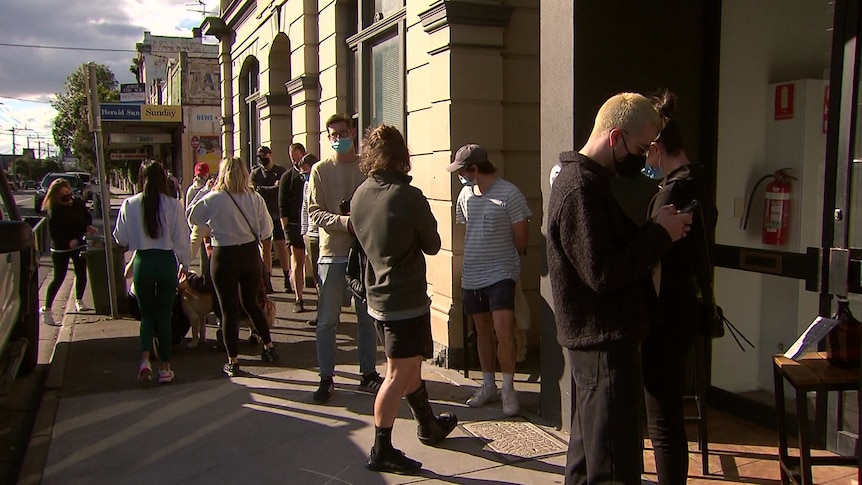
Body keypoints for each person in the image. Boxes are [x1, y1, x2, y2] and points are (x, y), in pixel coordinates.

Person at [546, 92, 693, 484]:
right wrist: (660, 235)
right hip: (602, 342)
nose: (644, 158)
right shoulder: (581, 188)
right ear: (615, 138)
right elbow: (604, 272)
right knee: (613, 464)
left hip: (598, 341)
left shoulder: (585, 182)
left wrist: (652, 230)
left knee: (589, 455)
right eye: (641, 147)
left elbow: (606, 254)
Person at [352, 125, 458, 474]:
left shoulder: (360, 194)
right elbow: (432, 244)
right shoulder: (407, 196)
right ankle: (381, 448)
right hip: (404, 299)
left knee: (410, 366)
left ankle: (428, 424)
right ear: (402, 157)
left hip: (377, 298)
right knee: (397, 374)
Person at [641, 90, 717, 485]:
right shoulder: (700, 181)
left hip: (665, 314)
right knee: (671, 417)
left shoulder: (671, 193)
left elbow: (654, 260)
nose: (644, 161)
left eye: (645, 151)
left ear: (657, 147)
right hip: (687, 307)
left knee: (664, 422)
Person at [446, 144, 531, 417]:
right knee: (482, 330)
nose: (460, 177)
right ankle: (488, 385)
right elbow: (467, 228)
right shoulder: (465, 195)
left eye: (462, 171)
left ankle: (508, 388)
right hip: (473, 274)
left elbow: (522, 238)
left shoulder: (509, 194)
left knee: (503, 329)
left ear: (474, 168)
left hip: (501, 272)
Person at [308, 113, 383, 403]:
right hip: (333, 254)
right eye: (333, 135)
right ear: (328, 139)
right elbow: (314, 212)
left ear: (351, 132)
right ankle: (326, 377)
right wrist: (344, 222)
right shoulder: (320, 170)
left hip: (364, 254)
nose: (338, 139)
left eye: (342, 133)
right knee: (327, 320)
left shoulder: (366, 167)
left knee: (367, 317)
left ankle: (368, 373)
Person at [188, 157, 279, 377]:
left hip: (223, 255)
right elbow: (267, 230)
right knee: (251, 303)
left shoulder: (214, 198)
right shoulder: (254, 197)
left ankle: (233, 360)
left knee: (227, 309)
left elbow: (193, 216)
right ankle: (268, 346)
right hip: (249, 254)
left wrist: (206, 192)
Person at [113, 161, 192, 384]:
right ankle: (165, 368)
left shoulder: (130, 204)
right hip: (165, 260)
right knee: (164, 316)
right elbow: (181, 239)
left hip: (143, 261)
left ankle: (145, 361)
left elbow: (120, 238)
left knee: (146, 316)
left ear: (141, 178)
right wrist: (184, 265)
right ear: (162, 179)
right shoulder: (173, 205)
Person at [40, 178, 97, 326]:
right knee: (59, 277)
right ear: (56, 195)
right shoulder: (54, 211)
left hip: (79, 244)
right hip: (60, 248)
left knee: (81, 273)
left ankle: (79, 300)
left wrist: (88, 227)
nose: (67, 196)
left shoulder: (77, 203)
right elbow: (55, 234)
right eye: (63, 194)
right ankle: (47, 309)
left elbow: (86, 217)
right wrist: (67, 242)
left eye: (68, 192)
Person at [251, 145, 290, 293]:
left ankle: (287, 277)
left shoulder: (280, 171)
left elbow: (280, 190)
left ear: (270, 155)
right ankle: (267, 280)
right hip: (261, 215)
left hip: (277, 213)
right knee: (265, 248)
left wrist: (265, 190)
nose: (263, 161)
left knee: (281, 246)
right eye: (260, 158)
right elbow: (254, 190)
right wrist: (271, 189)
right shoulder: (255, 173)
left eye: (265, 158)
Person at [279, 142, 310, 313]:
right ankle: (299, 298)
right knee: (297, 261)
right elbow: (282, 205)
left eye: (299, 159)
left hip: (311, 225)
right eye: (293, 160)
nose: (297, 163)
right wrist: (286, 231)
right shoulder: (287, 177)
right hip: (294, 225)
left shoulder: (313, 174)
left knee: (313, 263)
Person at [300, 152, 321, 327]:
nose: (305, 176)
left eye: (307, 172)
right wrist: (304, 231)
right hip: (311, 235)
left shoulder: (323, 180)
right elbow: (305, 208)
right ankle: (322, 311)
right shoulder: (307, 185)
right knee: (316, 277)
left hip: (324, 235)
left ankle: (328, 311)